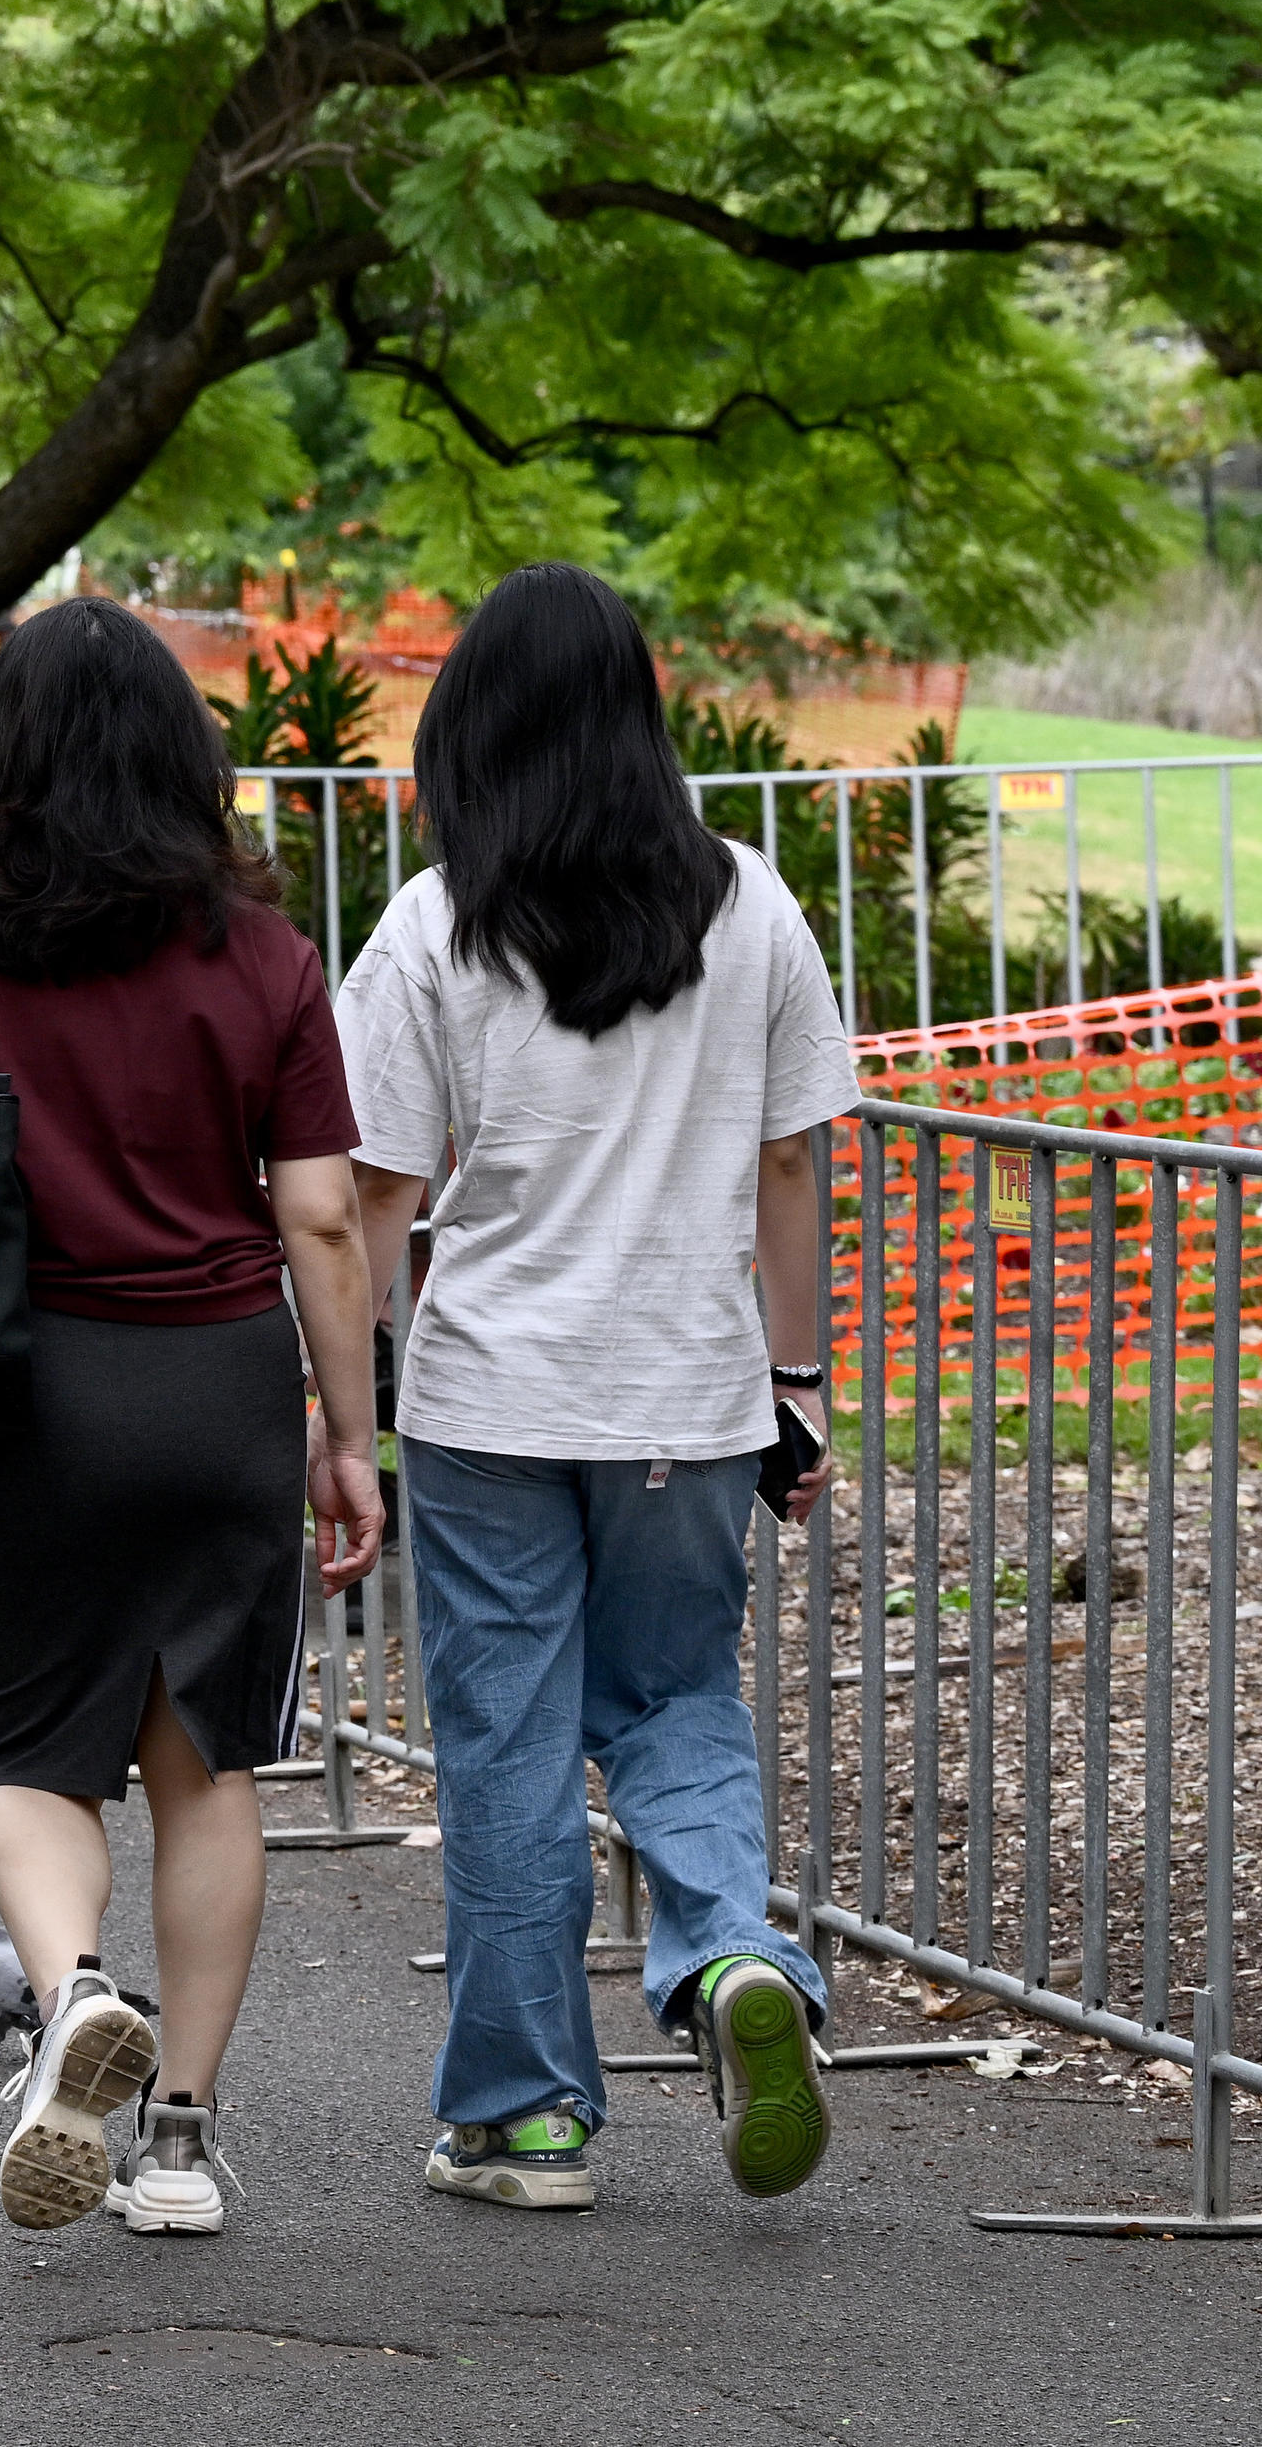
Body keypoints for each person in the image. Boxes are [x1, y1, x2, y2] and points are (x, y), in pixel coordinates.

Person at [0, 598, 383, 2239]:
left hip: (33, 1385)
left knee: (37, 1750)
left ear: (6, 752)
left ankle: (66, 1998)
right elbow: (326, 1216)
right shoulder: (266, 957)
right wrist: (349, 1434)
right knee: (207, 1766)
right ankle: (181, 2142)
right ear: (184, 760)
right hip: (220, 1389)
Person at [340, 562, 853, 2214]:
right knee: (677, 1697)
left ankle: (526, 2110)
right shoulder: (757, 905)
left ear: (472, 727)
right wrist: (797, 1373)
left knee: (507, 1745)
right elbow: (790, 1162)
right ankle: (726, 1952)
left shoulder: (436, 923)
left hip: (491, 1396)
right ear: (643, 718)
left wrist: (343, 1402)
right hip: (693, 1396)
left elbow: (371, 1192)